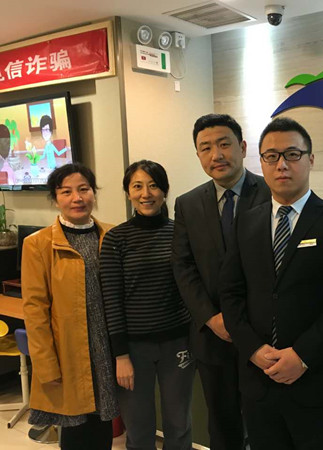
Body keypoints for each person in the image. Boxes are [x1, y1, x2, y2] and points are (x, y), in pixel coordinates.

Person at [220, 117, 323, 450]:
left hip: (316, 382)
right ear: (261, 162)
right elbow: (230, 293)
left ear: (310, 159)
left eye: (292, 154)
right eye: (271, 156)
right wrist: (254, 350)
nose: (281, 164)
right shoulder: (246, 222)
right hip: (259, 381)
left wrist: (301, 356)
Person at [172, 113, 270, 450]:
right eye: (206, 148)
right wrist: (210, 318)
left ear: (242, 147)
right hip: (213, 337)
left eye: (224, 144)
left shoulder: (272, 192)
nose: (216, 155)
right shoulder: (187, 204)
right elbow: (183, 267)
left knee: (265, 423)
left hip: (262, 335)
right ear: (198, 155)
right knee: (222, 425)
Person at [21, 163, 119, 450]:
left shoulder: (111, 235)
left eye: (84, 189)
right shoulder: (38, 244)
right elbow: (35, 310)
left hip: (107, 351)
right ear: (55, 198)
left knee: (103, 426)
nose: (77, 198)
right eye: (66, 192)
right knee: (76, 430)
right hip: (68, 355)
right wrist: (45, 364)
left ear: (94, 193)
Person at [100, 160, 195, 449]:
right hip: (133, 349)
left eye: (153, 186)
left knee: (179, 423)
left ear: (164, 190)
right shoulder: (116, 239)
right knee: (139, 428)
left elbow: (192, 286)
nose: (146, 194)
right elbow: (111, 300)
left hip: (178, 342)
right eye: (137, 186)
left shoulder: (181, 232)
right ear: (128, 192)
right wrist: (120, 356)